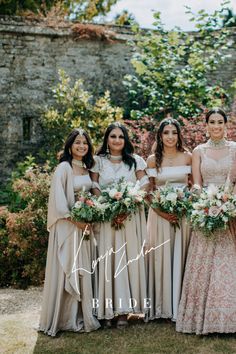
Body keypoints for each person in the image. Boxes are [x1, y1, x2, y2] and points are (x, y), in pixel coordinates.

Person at [176, 108, 236, 335]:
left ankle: (228, 317)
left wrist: (227, 202)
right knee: (203, 263)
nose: (216, 126)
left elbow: (235, 181)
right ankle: (201, 317)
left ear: (226, 124)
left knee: (228, 262)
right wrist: (203, 201)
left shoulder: (235, 149)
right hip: (205, 210)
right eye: (212, 122)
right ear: (206, 125)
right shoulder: (199, 151)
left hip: (229, 211)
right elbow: (198, 183)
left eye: (220, 122)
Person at [39, 128, 100, 336]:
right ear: (70, 145)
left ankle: (81, 314)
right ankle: (66, 318)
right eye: (77, 142)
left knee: (82, 270)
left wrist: (91, 214)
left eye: (85, 143)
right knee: (69, 270)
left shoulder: (85, 168)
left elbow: (91, 194)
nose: (81, 146)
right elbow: (58, 201)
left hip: (84, 226)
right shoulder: (63, 168)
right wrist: (78, 222)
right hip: (68, 226)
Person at [90, 122, 149, 328]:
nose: (117, 140)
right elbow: (94, 186)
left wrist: (130, 202)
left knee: (126, 260)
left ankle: (124, 311)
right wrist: (108, 204)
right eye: (113, 136)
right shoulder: (98, 161)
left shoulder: (135, 161)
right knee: (108, 261)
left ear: (126, 140)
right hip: (106, 219)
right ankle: (107, 311)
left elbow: (144, 184)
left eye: (121, 137)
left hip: (128, 219)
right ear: (107, 138)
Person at [146, 117, 192, 321]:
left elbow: (192, 187)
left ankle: (180, 306)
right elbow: (149, 192)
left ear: (179, 135)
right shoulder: (152, 160)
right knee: (161, 258)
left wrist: (185, 205)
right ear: (160, 135)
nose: (170, 136)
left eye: (174, 132)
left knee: (181, 256)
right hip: (159, 216)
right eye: (166, 132)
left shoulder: (188, 157)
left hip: (182, 215)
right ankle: (161, 307)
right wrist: (162, 212)